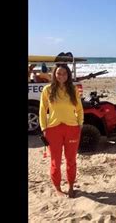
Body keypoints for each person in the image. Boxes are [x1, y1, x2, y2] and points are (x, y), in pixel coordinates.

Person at [39, 64, 83, 198]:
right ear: (54, 74)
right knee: (55, 161)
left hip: (72, 129)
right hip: (53, 130)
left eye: (64, 73)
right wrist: (44, 128)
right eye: (59, 73)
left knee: (71, 160)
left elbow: (79, 109)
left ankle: (70, 186)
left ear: (68, 75)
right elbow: (42, 110)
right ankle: (57, 188)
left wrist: (80, 124)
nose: (61, 76)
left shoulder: (73, 90)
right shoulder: (47, 90)